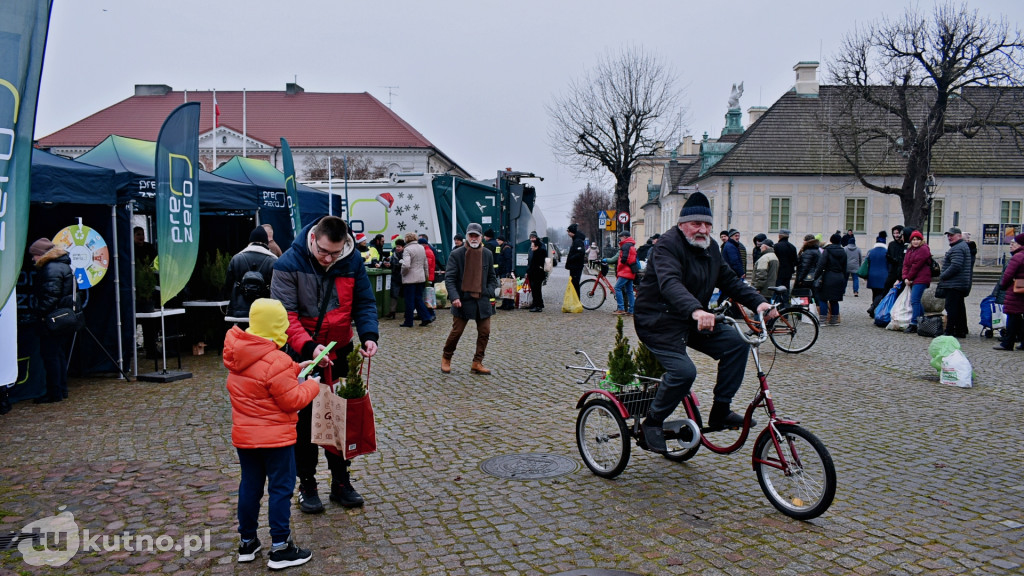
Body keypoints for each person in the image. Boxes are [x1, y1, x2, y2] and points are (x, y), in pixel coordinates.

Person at [633, 192, 776, 453]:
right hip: (658, 321)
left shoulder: (710, 248)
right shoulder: (667, 246)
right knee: (684, 372)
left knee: (737, 344)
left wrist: (759, 303)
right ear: (682, 224)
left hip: (692, 319)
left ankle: (720, 410)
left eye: (707, 225)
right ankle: (652, 422)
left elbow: (730, 281)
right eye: (696, 224)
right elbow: (670, 284)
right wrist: (697, 311)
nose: (703, 230)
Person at [270, 215, 379, 514]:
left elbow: (364, 303)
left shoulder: (352, 261)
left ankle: (341, 481)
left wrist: (369, 335)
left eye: (335, 253)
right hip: (303, 353)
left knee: (340, 417)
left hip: (340, 351)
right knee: (305, 422)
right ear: (313, 238)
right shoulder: (287, 264)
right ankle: (307, 484)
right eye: (323, 252)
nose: (329, 259)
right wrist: (308, 346)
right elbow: (285, 316)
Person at [223, 298, 319, 569]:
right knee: (280, 489)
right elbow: (291, 400)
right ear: (278, 326)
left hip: (246, 439)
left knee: (250, 487)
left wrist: (298, 368)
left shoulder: (239, 354)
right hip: (276, 440)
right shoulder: (277, 359)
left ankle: (247, 542)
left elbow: (266, 379)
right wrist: (312, 386)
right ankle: (281, 547)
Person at [442, 223, 499, 375]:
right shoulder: (457, 254)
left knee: (485, 332)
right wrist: (454, 297)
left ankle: (477, 362)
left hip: (482, 300)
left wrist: (488, 291)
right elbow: (450, 278)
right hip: (462, 300)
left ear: (481, 238)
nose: (474, 238)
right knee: (457, 332)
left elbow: (493, 278)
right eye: (471, 235)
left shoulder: (487, 253)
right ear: (467, 237)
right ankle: (446, 357)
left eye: (476, 236)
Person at [29, 238, 78, 403]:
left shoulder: (51, 268)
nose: (33, 259)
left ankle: (54, 392)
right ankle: (61, 389)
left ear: (42, 254)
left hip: (52, 319)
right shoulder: (62, 265)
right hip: (62, 318)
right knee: (58, 354)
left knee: (50, 355)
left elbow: (50, 295)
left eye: (34, 255)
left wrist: (39, 311)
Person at [225, 226, 278, 319]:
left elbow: (228, 285)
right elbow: (277, 289)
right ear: (265, 242)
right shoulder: (273, 260)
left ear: (250, 242)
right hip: (264, 313)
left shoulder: (236, 258)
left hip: (238, 312)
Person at [937, 227, 974, 338]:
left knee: (951, 307)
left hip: (954, 283)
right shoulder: (962, 246)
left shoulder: (957, 248)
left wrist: (943, 276)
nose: (949, 237)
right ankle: (960, 330)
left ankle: (949, 330)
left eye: (951, 235)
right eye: (948, 235)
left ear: (959, 236)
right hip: (959, 283)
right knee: (959, 308)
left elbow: (956, 265)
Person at [994, 233, 1024, 351]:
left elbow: (1008, 275)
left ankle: (1008, 343)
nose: (1012, 245)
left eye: (1014, 243)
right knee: (1020, 318)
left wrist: (1003, 286)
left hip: (1016, 291)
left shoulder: (1018, 257)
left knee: (1013, 316)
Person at [900, 230, 932, 333]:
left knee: (915, 300)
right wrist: (905, 277)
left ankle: (914, 323)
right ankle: (922, 321)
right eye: (913, 239)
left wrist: (908, 277)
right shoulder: (910, 250)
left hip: (922, 278)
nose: (915, 241)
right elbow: (905, 264)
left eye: (918, 239)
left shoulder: (924, 249)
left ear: (921, 240)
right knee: (916, 300)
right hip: (913, 278)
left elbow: (916, 266)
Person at [133, 226, 159, 357]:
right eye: (138, 234)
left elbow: (156, 262)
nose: (141, 237)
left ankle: (151, 349)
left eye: (142, 234)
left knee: (150, 324)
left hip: (148, 287)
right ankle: (131, 348)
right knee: (134, 322)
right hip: (135, 289)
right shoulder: (130, 249)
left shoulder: (149, 248)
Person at [813, 234, 848, 326]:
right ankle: (834, 320)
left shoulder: (827, 251)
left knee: (823, 298)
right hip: (839, 277)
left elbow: (821, 265)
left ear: (831, 240)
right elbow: (845, 267)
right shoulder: (843, 252)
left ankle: (823, 321)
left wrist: (815, 276)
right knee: (834, 300)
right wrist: (844, 279)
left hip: (828, 277)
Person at [400, 232, 432, 327]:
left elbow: (406, 265)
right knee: (418, 299)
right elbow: (425, 263)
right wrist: (426, 275)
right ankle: (426, 317)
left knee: (409, 301)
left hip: (410, 279)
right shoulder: (421, 248)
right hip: (420, 277)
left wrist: (403, 273)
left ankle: (409, 321)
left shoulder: (407, 249)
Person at [612, 231, 638, 316]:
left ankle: (621, 308)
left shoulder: (625, 245)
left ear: (625, 237)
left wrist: (620, 267)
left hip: (625, 271)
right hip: (631, 271)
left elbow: (624, 259)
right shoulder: (632, 245)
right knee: (629, 291)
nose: (620, 238)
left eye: (621, 237)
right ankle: (632, 310)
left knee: (617, 288)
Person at [864, 236, 890, 317]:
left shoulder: (870, 252)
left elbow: (866, 264)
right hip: (883, 276)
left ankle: (872, 311)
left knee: (874, 293)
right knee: (881, 294)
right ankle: (873, 307)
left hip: (872, 275)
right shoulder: (887, 252)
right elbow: (889, 265)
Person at [565, 223, 587, 297]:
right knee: (574, 284)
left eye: (569, 232)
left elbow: (581, 253)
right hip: (575, 266)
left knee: (575, 284)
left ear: (572, 232)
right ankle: (575, 301)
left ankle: (576, 301)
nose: (568, 234)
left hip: (576, 266)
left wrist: (571, 258)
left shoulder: (577, 241)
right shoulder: (576, 240)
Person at [386, 238, 405, 319]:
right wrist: (387, 264)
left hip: (403, 277)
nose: (397, 248)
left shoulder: (405, 254)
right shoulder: (393, 255)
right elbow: (391, 263)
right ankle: (392, 311)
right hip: (395, 277)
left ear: (403, 247)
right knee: (394, 295)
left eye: (399, 246)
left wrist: (395, 265)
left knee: (405, 295)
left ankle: (406, 311)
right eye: (397, 246)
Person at [526, 236, 546, 312]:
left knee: (537, 290)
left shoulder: (539, 253)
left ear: (537, 247)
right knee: (534, 290)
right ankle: (536, 303)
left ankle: (538, 305)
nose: (531, 248)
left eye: (533, 247)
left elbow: (536, 265)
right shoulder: (535, 252)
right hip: (533, 274)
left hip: (537, 274)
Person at [885, 225, 906, 292]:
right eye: (894, 233)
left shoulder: (905, 245)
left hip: (902, 271)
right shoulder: (891, 244)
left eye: (897, 233)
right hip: (893, 271)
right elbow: (888, 257)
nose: (895, 235)